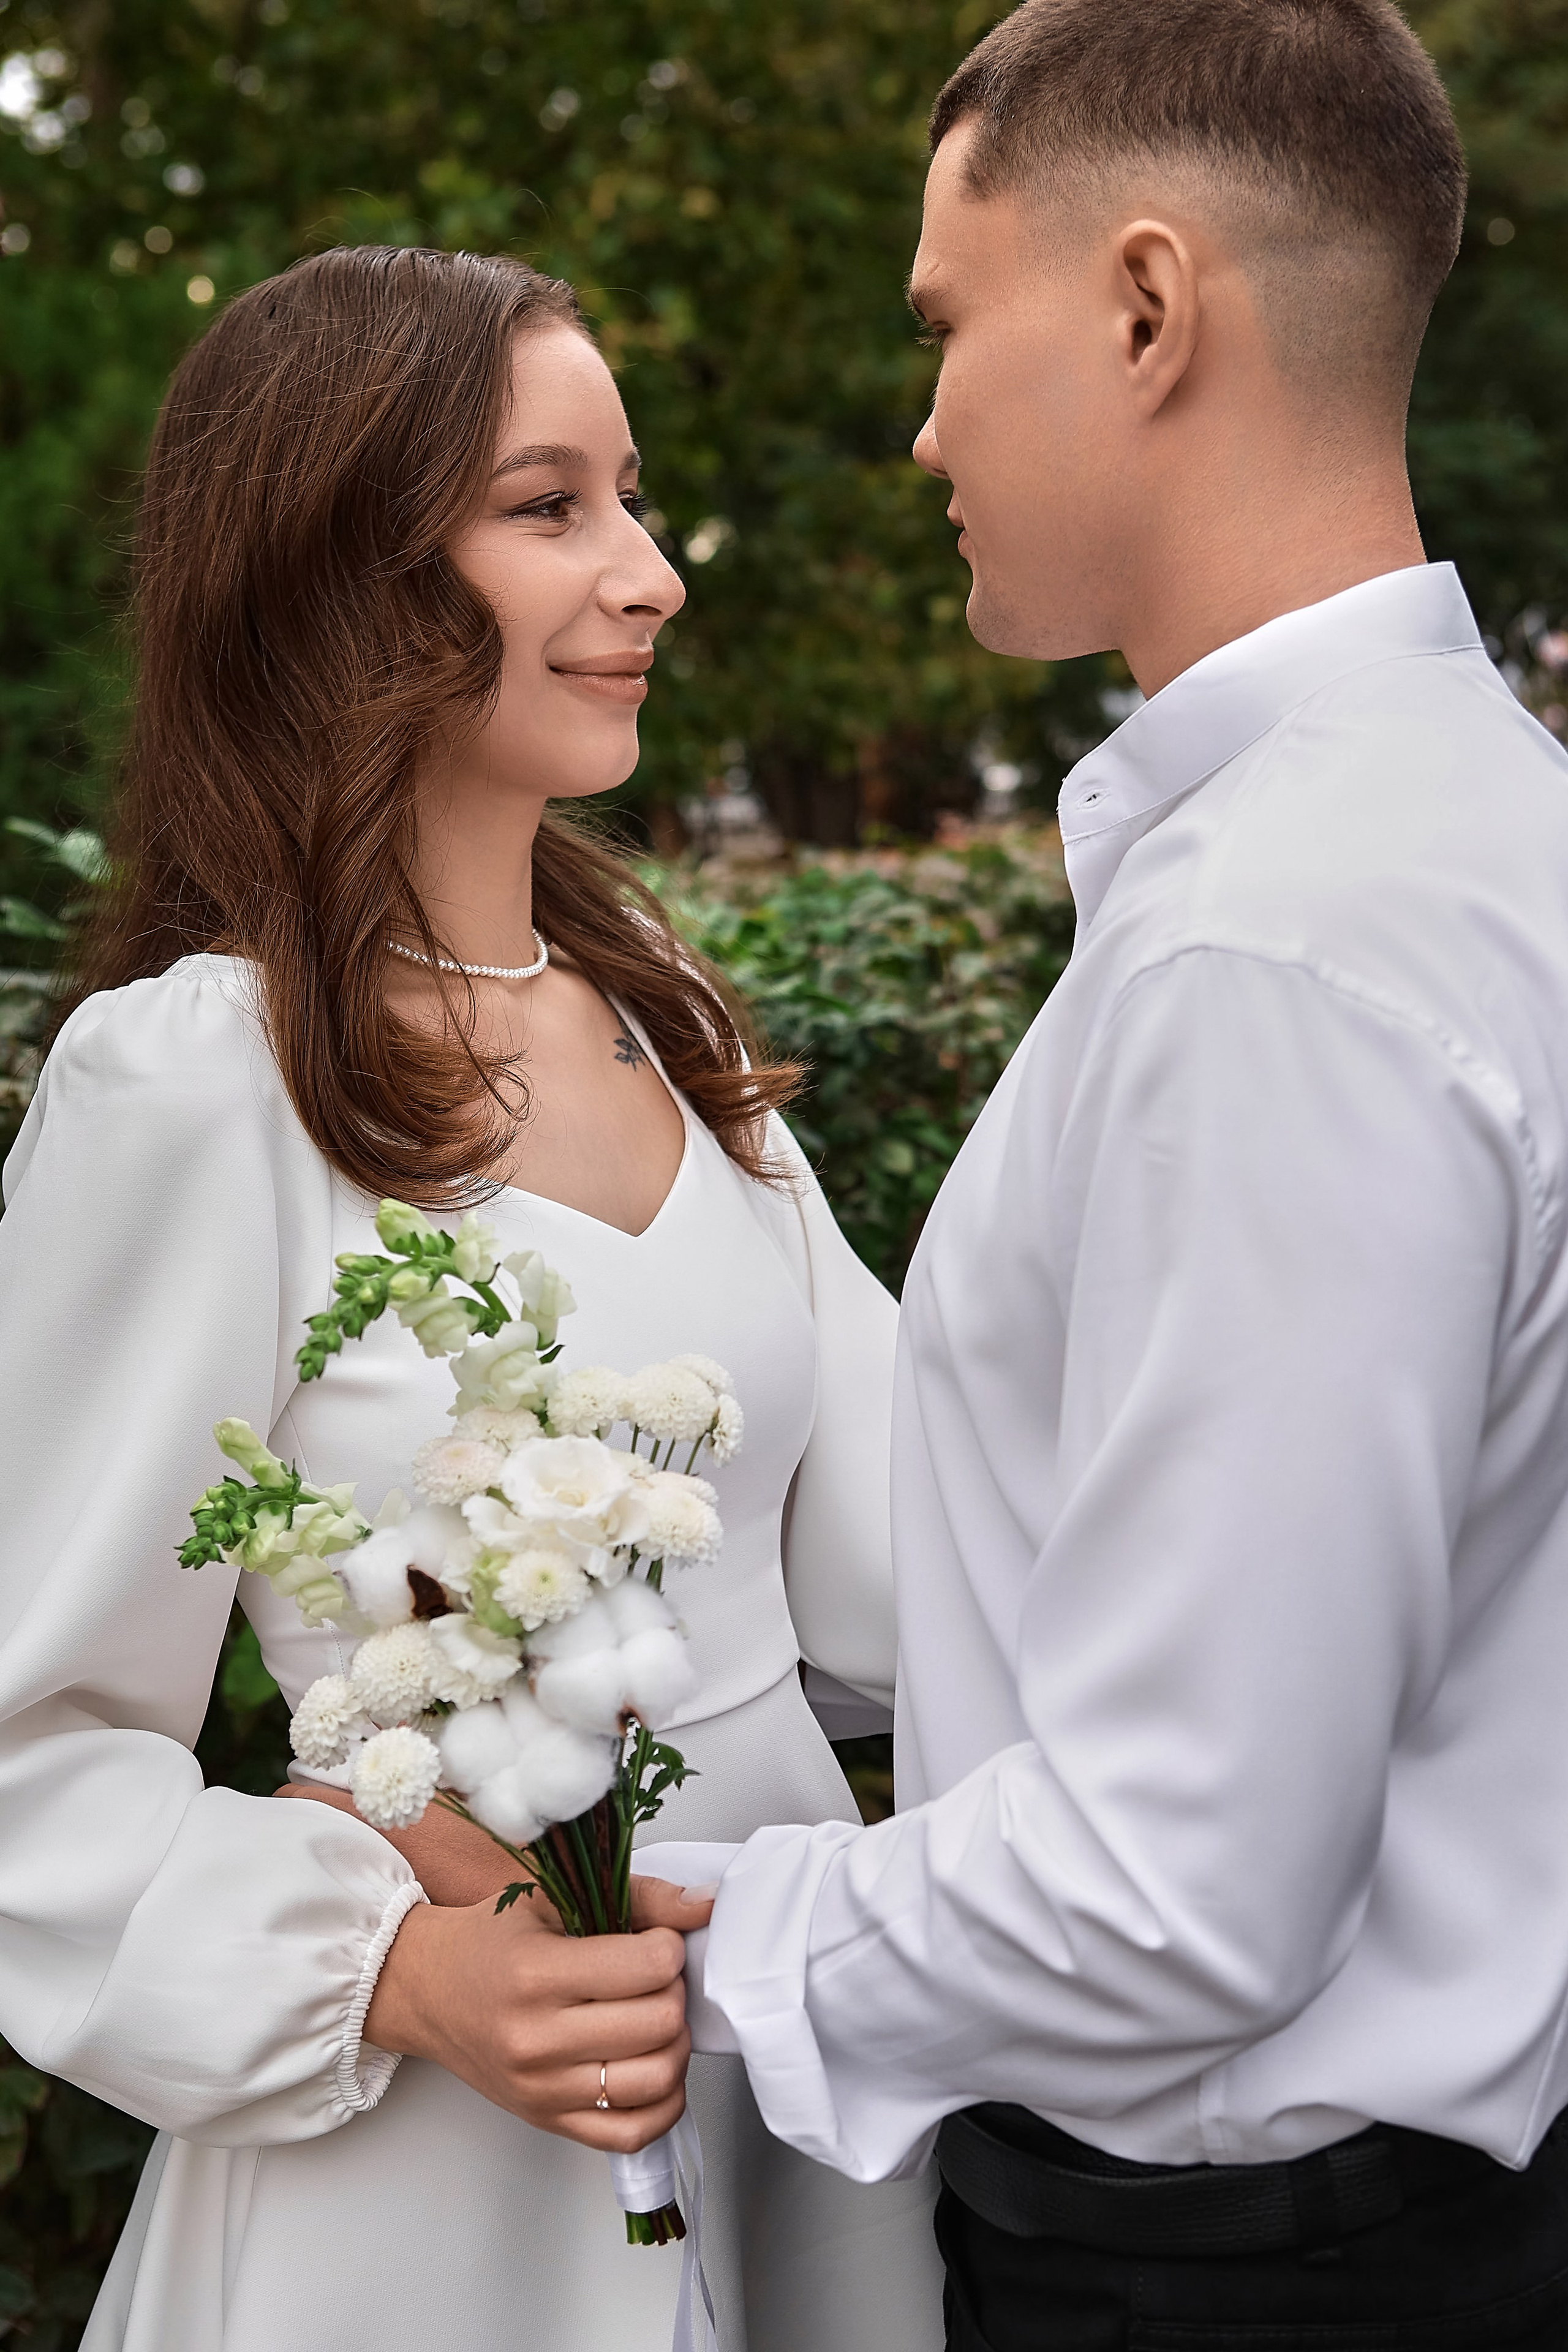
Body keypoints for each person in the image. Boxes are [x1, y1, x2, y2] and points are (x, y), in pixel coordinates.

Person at [681, 3, 1568, 2345]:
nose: (925, 421)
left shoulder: (1282, 945)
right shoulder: (1482, 835)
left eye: (953, 325)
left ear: (1152, 308)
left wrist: (662, 1940)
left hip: (1257, 2280)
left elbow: (1179, 1883)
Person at [0, 246, 943, 2352]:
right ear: (341, 568)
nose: (652, 574)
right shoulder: (193, 1079)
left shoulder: (668, 1019)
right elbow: (27, 1744)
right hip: (422, 2193)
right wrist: (402, 1977)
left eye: (634, 498)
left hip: (788, 2083)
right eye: (553, 508)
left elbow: (920, 1567)